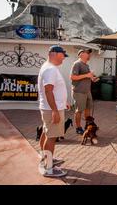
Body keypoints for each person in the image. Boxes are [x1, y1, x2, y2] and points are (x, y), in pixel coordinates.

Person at [38, 45, 69, 177]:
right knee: (51, 137)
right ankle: (48, 167)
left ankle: (46, 158)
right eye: (63, 55)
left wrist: (63, 102)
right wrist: (55, 110)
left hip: (50, 108)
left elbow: (54, 90)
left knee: (46, 133)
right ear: (54, 54)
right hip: (52, 109)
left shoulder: (49, 67)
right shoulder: (50, 69)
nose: (64, 58)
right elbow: (48, 90)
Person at [70, 48, 98, 134]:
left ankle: (88, 125)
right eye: (87, 53)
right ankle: (78, 128)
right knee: (79, 110)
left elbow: (87, 77)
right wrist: (87, 75)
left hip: (87, 91)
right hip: (79, 92)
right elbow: (72, 77)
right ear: (81, 54)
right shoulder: (77, 64)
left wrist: (93, 78)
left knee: (88, 109)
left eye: (89, 53)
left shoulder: (86, 65)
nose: (89, 54)